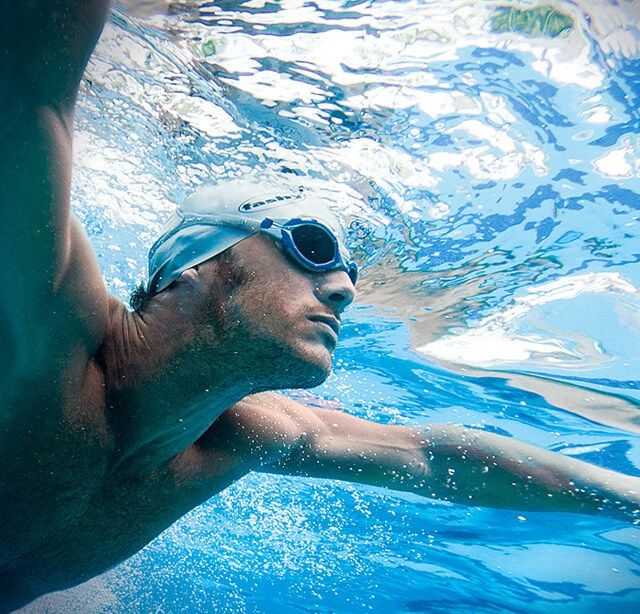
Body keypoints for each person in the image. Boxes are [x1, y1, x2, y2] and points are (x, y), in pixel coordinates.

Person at [1, 1, 638, 611]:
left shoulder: (246, 435)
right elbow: (30, 87)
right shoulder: (45, 328)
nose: (345, 288)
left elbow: (430, 455)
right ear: (192, 270)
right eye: (311, 246)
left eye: (348, 269)